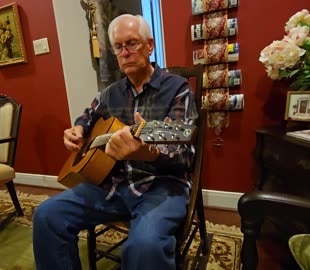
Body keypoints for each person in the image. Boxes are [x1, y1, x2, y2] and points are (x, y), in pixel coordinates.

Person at [33, 14, 198, 270]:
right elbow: (89, 115)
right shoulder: (110, 93)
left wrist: (148, 154)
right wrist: (77, 128)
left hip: (161, 185)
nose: (125, 52)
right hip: (112, 182)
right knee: (46, 215)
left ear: (149, 45)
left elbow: (184, 154)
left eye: (132, 43)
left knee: (145, 246)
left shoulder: (178, 89)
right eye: (119, 47)